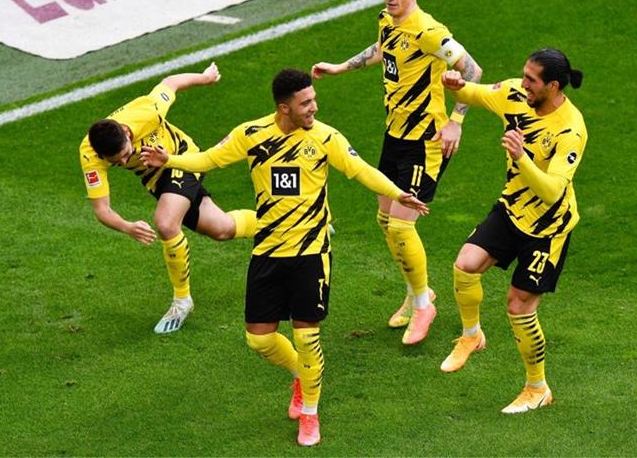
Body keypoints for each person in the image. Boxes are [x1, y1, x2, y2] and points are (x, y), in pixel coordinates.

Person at [139, 68, 428, 446]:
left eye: (313, 100)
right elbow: (208, 159)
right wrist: (169, 161)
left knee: (307, 337)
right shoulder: (252, 135)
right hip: (268, 251)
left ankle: (310, 413)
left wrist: (398, 192)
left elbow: (359, 171)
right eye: (305, 103)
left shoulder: (325, 137)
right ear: (283, 107)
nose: (314, 107)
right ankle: (302, 375)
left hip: (311, 253)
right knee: (259, 341)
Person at [311, 0, 483, 345]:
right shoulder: (388, 20)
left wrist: (457, 120)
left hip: (425, 143)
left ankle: (425, 306)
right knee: (386, 219)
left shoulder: (430, 31)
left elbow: (473, 70)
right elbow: (383, 48)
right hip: (395, 135)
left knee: (403, 223)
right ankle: (416, 290)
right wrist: (342, 67)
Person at [439, 49, 587, 414]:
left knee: (518, 305)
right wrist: (456, 86)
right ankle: (472, 337)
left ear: (552, 86)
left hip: (547, 227)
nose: (523, 84)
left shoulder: (571, 129)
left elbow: (553, 191)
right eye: (524, 75)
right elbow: (471, 94)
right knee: (465, 264)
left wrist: (521, 157)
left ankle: (537, 387)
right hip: (512, 209)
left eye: (531, 80)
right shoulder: (514, 95)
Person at [79, 62, 256, 334]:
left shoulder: (147, 112)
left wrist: (206, 78)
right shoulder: (90, 155)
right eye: (119, 161)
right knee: (222, 229)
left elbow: (170, 82)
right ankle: (291, 222)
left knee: (165, 223)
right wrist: (127, 227)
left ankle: (182, 300)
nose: (126, 160)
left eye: (127, 153)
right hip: (156, 179)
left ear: (127, 133)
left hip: (183, 159)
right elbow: (102, 209)